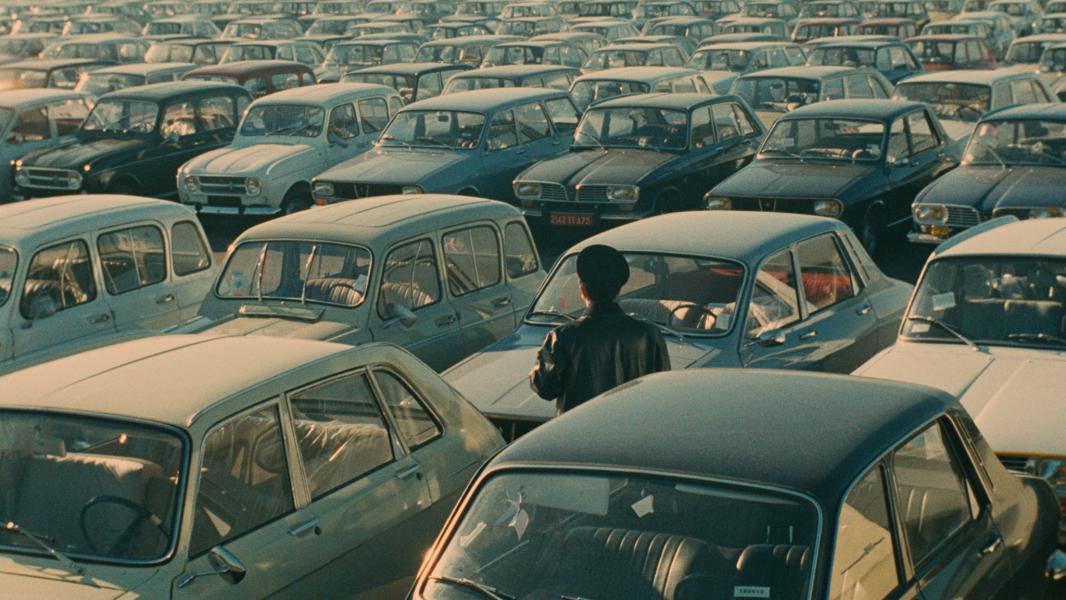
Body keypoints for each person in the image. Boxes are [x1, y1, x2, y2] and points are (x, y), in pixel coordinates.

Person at [529, 244, 670, 415]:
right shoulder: (650, 334)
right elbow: (662, 391)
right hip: (632, 427)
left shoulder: (563, 337)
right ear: (618, 290)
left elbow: (545, 388)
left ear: (582, 290)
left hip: (579, 427)